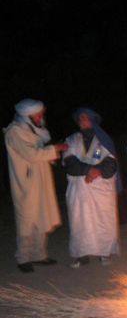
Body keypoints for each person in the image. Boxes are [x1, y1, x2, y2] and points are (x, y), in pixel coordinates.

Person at [3, 99, 68, 273]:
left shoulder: (35, 130)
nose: (41, 117)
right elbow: (31, 154)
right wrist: (55, 149)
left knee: (42, 216)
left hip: (41, 181)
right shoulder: (15, 132)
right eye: (37, 115)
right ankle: (23, 257)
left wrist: (53, 154)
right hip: (26, 184)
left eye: (41, 114)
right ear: (27, 116)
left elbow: (41, 151)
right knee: (27, 219)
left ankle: (39, 255)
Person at [63, 108, 120, 268]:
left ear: (93, 121)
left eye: (86, 119)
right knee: (80, 222)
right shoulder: (71, 140)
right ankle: (82, 255)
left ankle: (104, 253)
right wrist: (89, 170)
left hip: (101, 190)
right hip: (79, 190)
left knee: (103, 221)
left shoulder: (104, 140)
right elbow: (70, 163)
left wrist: (97, 171)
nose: (82, 121)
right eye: (80, 119)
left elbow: (111, 163)